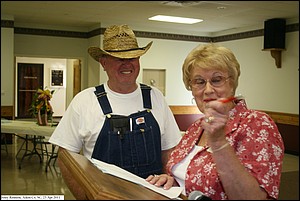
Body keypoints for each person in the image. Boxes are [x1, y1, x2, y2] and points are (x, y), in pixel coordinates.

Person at [49, 24, 182, 199]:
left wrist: (170, 179)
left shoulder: (156, 98)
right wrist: (85, 196)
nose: (127, 64)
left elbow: (169, 150)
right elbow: (66, 159)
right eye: (119, 58)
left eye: (133, 57)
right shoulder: (84, 101)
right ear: (103, 62)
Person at [146, 43, 285, 200]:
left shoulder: (257, 125)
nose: (208, 90)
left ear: (232, 83)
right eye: (199, 82)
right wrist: (172, 182)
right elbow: (188, 178)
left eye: (217, 80)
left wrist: (218, 142)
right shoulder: (195, 128)